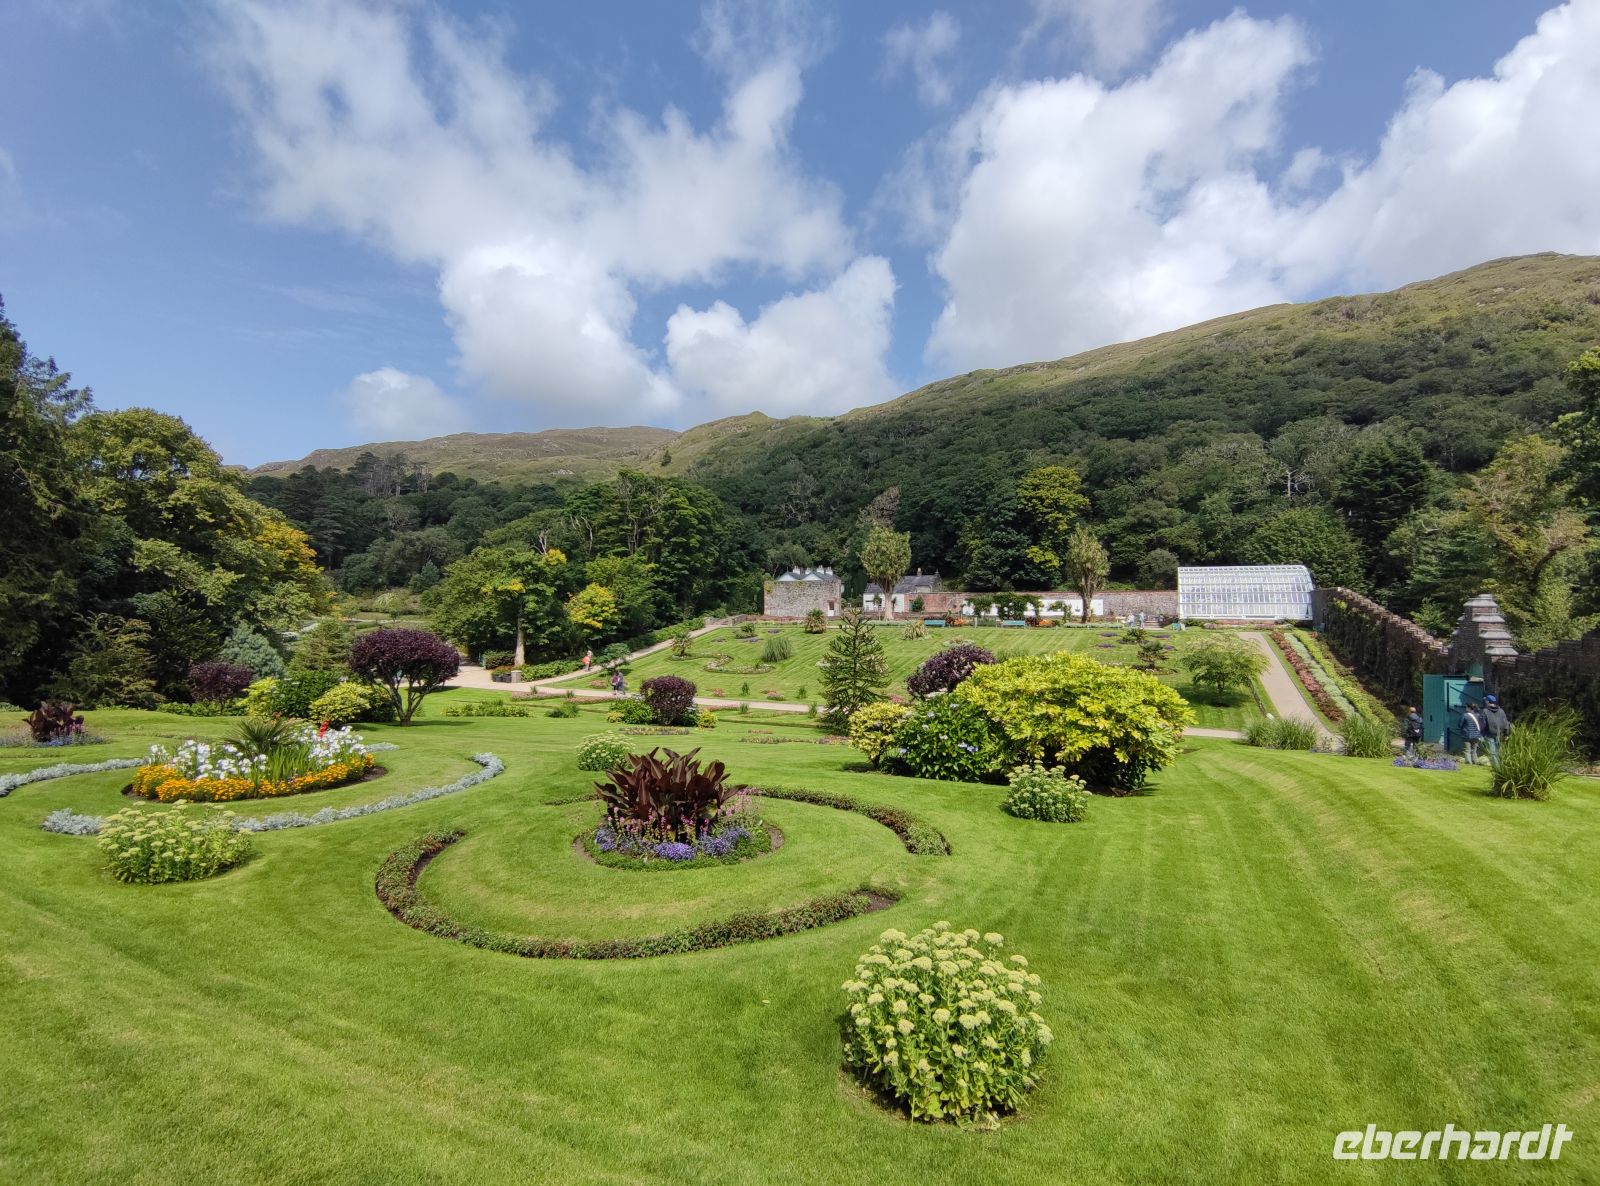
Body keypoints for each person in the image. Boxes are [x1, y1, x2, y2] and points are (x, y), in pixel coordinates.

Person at [1481, 695, 1512, 763]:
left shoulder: (1485, 711)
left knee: (1492, 753)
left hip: (1489, 734)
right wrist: (1506, 734)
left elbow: (1483, 724)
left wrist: (1482, 734)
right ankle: (1499, 766)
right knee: (1498, 752)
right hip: (1500, 734)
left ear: (1487, 702)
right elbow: (1506, 723)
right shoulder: (1501, 711)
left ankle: (1497, 767)